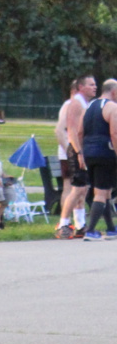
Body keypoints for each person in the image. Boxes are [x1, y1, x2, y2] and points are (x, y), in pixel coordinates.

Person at [73, 77, 117, 238]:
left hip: (89, 153)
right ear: (114, 91)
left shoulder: (89, 106)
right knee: (101, 194)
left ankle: (111, 229)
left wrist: (81, 153)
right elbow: (114, 133)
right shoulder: (112, 107)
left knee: (104, 191)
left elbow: (79, 132)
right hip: (105, 153)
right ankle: (90, 231)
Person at [56, 73, 96, 238]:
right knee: (77, 188)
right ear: (81, 87)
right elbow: (71, 130)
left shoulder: (85, 103)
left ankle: (80, 224)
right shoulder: (75, 103)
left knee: (83, 189)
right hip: (76, 150)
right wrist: (78, 152)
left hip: (84, 149)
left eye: (95, 84)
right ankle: (63, 224)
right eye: (91, 84)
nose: (95, 87)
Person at [54, 80, 79, 220]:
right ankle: (65, 220)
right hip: (69, 154)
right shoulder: (69, 105)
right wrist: (70, 150)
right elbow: (59, 130)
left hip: (73, 152)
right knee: (69, 187)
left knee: (76, 187)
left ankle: (73, 220)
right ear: (75, 90)